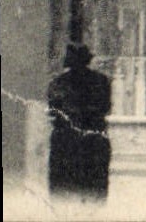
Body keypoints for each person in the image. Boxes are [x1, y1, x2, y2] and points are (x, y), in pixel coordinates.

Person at [47, 42, 112, 197]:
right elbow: (106, 107)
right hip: (92, 140)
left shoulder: (58, 83)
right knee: (93, 190)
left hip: (66, 141)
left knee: (64, 190)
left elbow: (53, 109)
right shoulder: (101, 80)